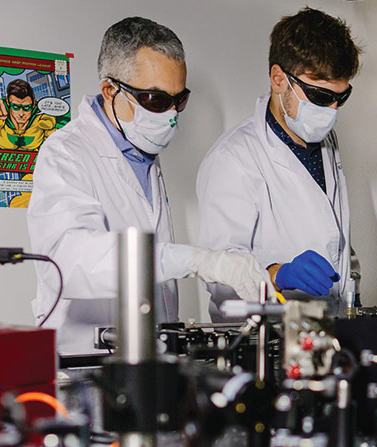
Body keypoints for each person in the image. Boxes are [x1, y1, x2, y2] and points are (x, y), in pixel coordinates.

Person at [28, 17, 271, 355]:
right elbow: (67, 260)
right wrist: (194, 259)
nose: (171, 116)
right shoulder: (66, 153)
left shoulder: (143, 152)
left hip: (148, 358)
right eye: (156, 100)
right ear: (111, 90)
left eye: (179, 100)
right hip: (85, 360)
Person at [197, 7, 361, 320]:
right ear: (278, 79)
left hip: (325, 333)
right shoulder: (233, 159)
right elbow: (218, 273)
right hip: (262, 339)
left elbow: (330, 234)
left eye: (342, 97)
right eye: (320, 96)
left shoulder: (326, 143)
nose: (332, 110)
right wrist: (278, 274)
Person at [0, 79, 57, 150]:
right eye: (16, 106)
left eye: (26, 107)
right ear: (8, 102)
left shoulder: (40, 121)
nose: (21, 113)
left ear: (34, 103)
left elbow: (56, 141)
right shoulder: (0, 119)